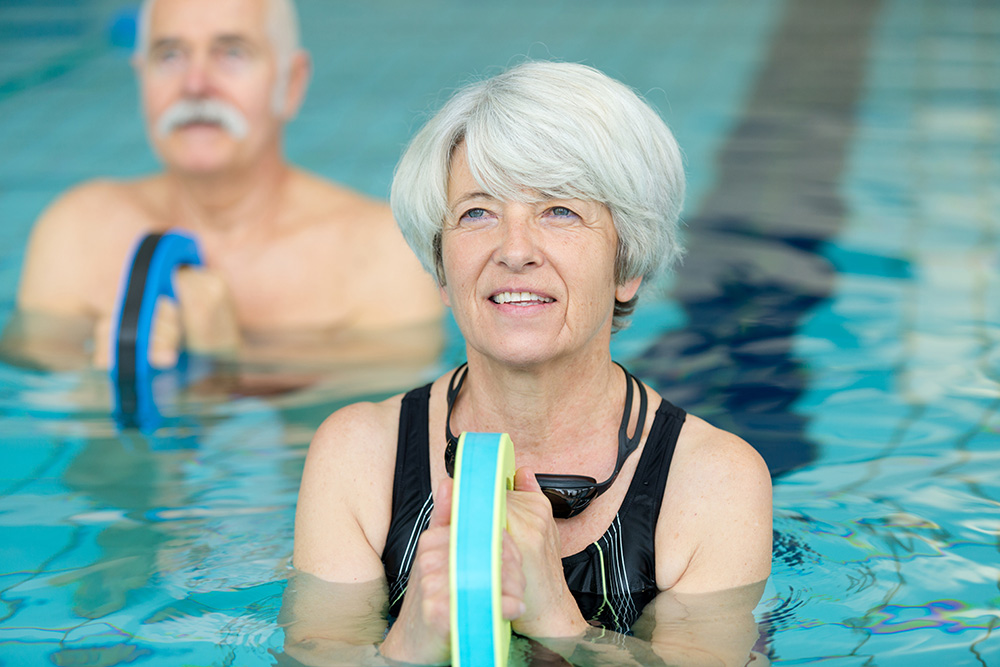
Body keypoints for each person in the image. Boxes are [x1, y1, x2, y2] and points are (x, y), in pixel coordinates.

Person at [289, 61, 772, 665]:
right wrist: (408, 641)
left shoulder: (713, 482)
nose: (514, 251)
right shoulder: (360, 457)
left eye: (559, 211)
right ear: (442, 270)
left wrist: (559, 623)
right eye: (477, 213)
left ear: (626, 264)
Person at [5, 0, 441, 371]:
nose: (195, 85)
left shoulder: (379, 257)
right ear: (141, 78)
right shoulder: (76, 235)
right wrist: (102, 385)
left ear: (291, 83)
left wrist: (221, 364)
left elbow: (378, 436)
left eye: (231, 53)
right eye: (169, 56)